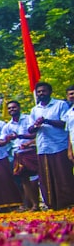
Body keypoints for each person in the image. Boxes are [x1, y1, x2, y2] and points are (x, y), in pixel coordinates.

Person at [28, 82, 74, 210]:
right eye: (39, 92)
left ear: (50, 92)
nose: (41, 93)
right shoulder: (35, 109)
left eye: (44, 91)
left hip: (59, 146)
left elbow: (65, 123)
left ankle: (68, 202)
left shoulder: (60, 105)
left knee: (63, 175)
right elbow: (30, 130)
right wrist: (36, 126)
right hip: (43, 148)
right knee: (46, 177)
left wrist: (46, 121)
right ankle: (51, 203)